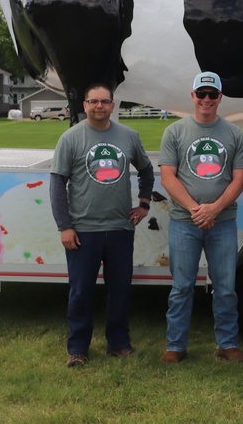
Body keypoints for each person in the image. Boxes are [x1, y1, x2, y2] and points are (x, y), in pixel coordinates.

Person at [50, 83, 155, 368]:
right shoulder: (71, 138)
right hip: (83, 230)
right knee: (81, 291)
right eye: (93, 101)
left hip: (120, 228)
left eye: (105, 101)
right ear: (84, 105)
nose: (99, 106)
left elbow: (146, 170)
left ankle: (119, 343)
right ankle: (77, 348)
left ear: (112, 105)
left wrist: (144, 204)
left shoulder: (128, 136)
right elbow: (57, 184)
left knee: (120, 289)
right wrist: (64, 226)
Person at [158, 71, 243, 364]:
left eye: (213, 95)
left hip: (222, 223)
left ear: (220, 98)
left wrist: (214, 209)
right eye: (202, 94)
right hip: (184, 223)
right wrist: (195, 210)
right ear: (193, 96)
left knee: (225, 287)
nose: (207, 100)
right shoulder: (175, 132)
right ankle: (175, 346)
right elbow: (167, 177)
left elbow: (239, 180)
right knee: (181, 287)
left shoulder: (234, 133)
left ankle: (227, 343)